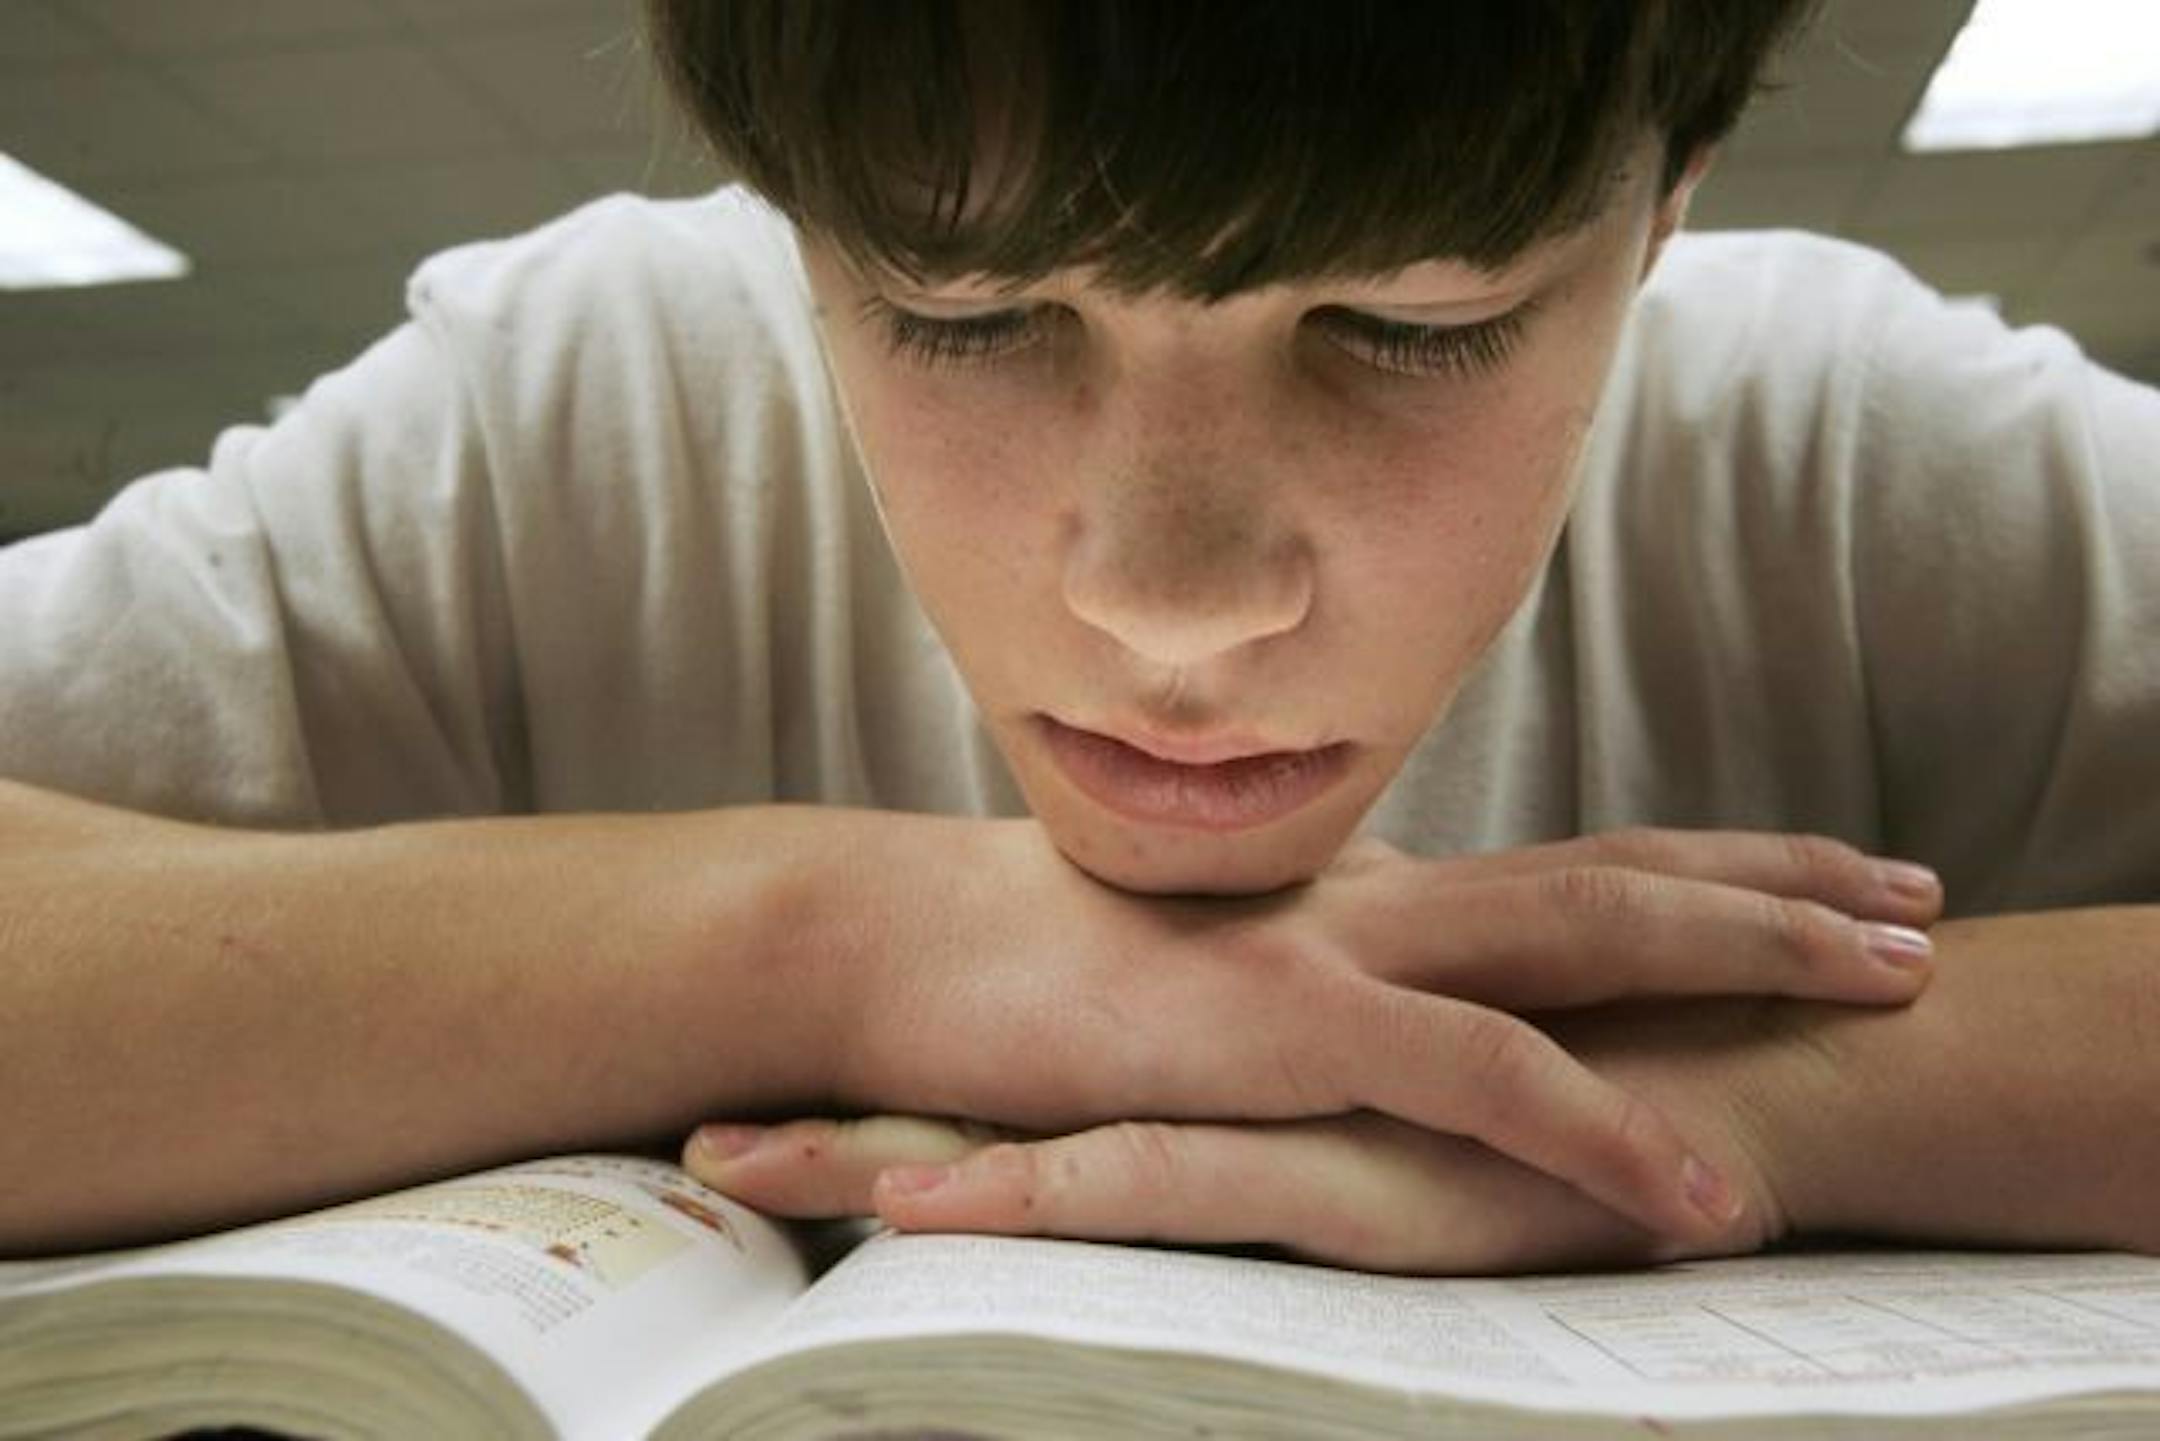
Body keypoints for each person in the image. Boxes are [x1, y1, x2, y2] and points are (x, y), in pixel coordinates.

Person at [1, 0, 2154, 1272]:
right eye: (965, 314)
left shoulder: (1859, 443)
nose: (1170, 592)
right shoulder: (569, 408)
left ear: (1666, 202)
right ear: (796, 223)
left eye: (1417, 328)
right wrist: (859, 940)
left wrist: (1732, 1105)